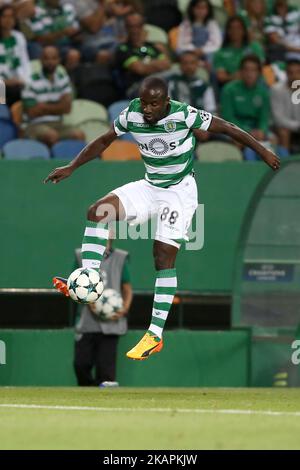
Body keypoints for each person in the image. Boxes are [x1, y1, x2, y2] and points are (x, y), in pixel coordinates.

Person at [44, 76, 280, 361]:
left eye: (153, 104)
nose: (147, 109)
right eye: (144, 102)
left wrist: (263, 150)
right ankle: (89, 277)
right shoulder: (132, 112)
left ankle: (154, 335)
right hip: (150, 186)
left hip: (179, 192)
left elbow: (228, 128)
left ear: (166, 102)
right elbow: (105, 139)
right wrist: (72, 166)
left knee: (162, 256)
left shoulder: (184, 114)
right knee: (98, 211)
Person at [74, 235, 133, 387]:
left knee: (106, 371)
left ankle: (104, 400)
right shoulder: (81, 256)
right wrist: (88, 300)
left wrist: (124, 308)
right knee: (81, 364)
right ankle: (87, 393)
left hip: (112, 322)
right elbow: (74, 286)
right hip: (87, 322)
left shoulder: (120, 258)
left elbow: (127, 288)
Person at [22, 45, 85, 146]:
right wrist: (58, 105)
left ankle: (73, 162)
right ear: (40, 60)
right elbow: (32, 111)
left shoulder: (62, 79)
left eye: (54, 58)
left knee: (79, 134)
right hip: (34, 125)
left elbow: (67, 108)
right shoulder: (31, 81)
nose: (50, 62)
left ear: (59, 60)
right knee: (51, 136)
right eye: (46, 58)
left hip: (58, 124)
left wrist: (43, 106)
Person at [220, 54, 271, 161]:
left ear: (259, 73)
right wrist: (247, 131)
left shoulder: (263, 93)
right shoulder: (229, 89)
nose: (249, 74)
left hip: (256, 130)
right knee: (239, 141)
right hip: (234, 129)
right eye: (246, 70)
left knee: (274, 140)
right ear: (241, 72)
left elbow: (264, 118)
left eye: (253, 70)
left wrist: (262, 130)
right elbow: (227, 116)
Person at [114, 12, 171, 98]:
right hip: (137, 87)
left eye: (138, 26)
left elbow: (166, 64)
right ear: (126, 28)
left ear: (143, 26)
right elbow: (140, 69)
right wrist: (156, 64)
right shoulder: (123, 49)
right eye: (131, 26)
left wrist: (145, 63)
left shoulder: (152, 46)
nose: (134, 30)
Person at [213, 15, 265, 87]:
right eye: (231, 28)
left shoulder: (254, 47)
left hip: (256, 83)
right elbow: (221, 77)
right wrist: (235, 77)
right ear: (227, 31)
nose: (235, 31)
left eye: (238, 28)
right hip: (234, 85)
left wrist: (247, 75)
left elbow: (261, 68)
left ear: (244, 30)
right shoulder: (220, 53)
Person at [0, 4, 30, 105]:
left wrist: (23, 80)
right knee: (3, 96)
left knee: (26, 92)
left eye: (11, 16)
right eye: (4, 16)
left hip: (18, 81)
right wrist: (5, 81)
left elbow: (25, 62)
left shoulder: (19, 37)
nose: (8, 20)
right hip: (1, 84)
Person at [271, 59, 300, 156]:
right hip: (281, 128)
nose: (295, 76)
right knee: (284, 132)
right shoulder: (276, 89)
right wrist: (297, 126)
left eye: (298, 72)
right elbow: (278, 119)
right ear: (286, 73)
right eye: (291, 73)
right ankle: (285, 163)